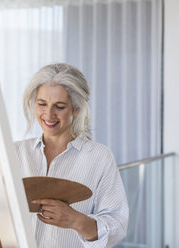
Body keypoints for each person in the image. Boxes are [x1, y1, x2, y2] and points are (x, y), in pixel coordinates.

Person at [15, 63, 129, 248]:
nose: (48, 115)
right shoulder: (14, 153)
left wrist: (76, 220)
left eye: (59, 106)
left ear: (76, 109)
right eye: (42, 104)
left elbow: (117, 224)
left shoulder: (99, 157)